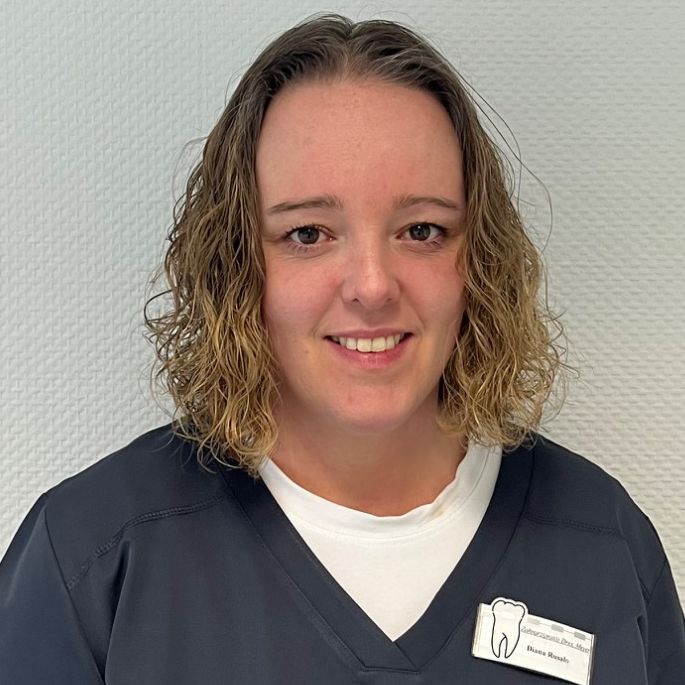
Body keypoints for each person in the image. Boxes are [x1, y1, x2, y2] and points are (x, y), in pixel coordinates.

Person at [1, 12, 683, 684]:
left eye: (422, 230)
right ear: (236, 263)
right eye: (307, 234)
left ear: (481, 257)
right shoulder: (93, 559)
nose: (372, 285)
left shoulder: (604, 545)